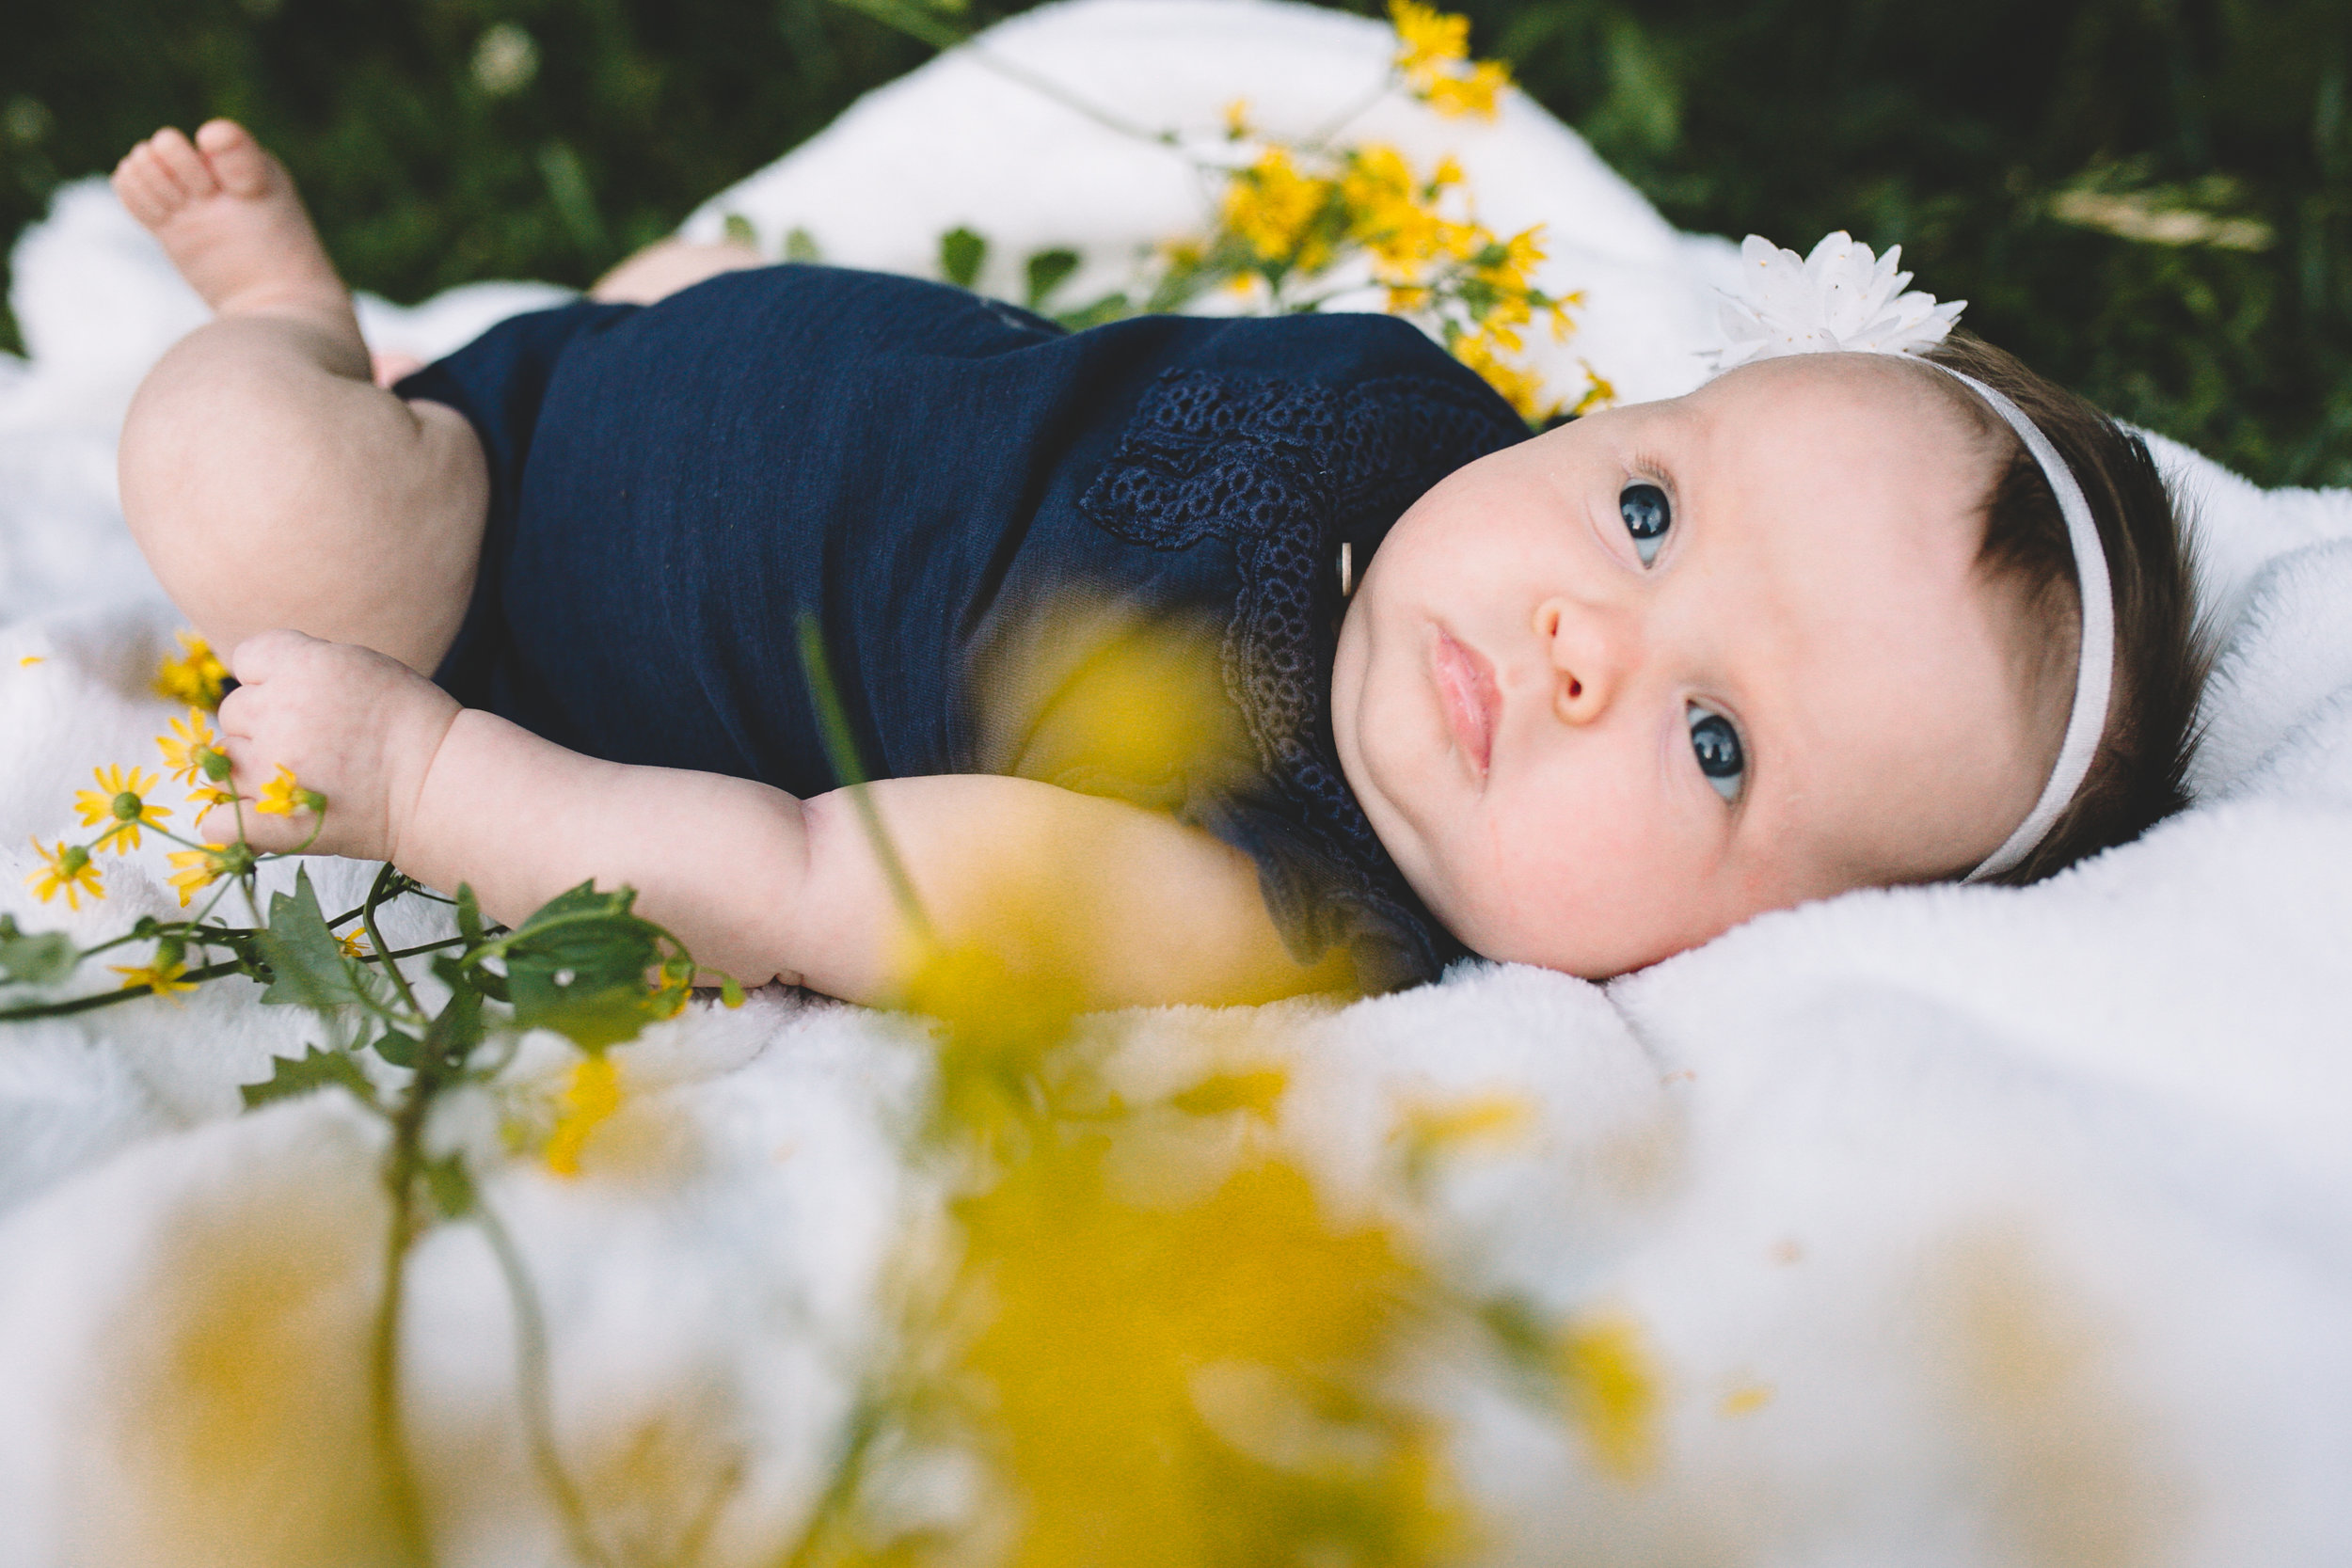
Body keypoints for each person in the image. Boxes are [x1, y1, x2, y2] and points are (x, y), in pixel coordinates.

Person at [105, 120, 2205, 1009]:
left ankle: (288, 326)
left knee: (242, 492)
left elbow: (810, 875)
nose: (1586, 642)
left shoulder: (1251, 894)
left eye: (1719, 743)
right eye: (1649, 514)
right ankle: (619, 302)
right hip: (676, 356)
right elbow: (1054, 385)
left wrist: (426, 780)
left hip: (496, 561)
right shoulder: (1434, 421)